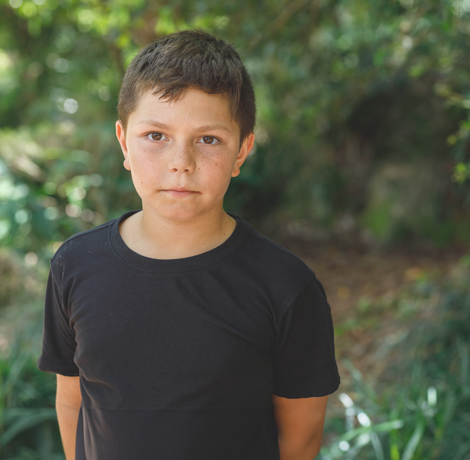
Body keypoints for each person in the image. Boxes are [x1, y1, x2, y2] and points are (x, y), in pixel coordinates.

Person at [38, 30, 340, 460]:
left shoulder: (286, 286)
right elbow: (72, 400)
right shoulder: (75, 264)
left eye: (209, 139)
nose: (181, 162)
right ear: (124, 141)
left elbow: (300, 438)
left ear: (242, 150)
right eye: (156, 136)